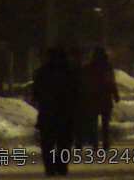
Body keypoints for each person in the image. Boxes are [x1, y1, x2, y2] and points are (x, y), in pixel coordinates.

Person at [33, 45, 81, 176]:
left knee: (47, 142)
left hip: (47, 113)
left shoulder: (42, 73)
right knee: (64, 142)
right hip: (66, 113)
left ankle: (49, 166)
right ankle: (61, 166)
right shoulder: (72, 72)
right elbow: (78, 93)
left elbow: (36, 93)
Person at [81, 47, 119, 151]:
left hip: (92, 98)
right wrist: (115, 95)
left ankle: (94, 143)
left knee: (93, 122)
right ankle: (106, 143)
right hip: (105, 98)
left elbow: (84, 83)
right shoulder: (107, 67)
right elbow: (111, 82)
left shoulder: (88, 67)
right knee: (105, 123)